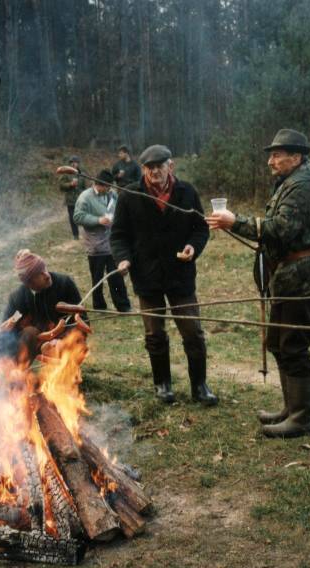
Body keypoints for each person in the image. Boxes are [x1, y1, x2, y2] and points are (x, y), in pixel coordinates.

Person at [207, 129, 310, 437]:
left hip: (302, 277)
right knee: (278, 342)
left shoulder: (304, 185)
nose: (270, 161)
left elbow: (281, 229)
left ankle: (301, 419)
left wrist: (235, 222)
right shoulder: (290, 181)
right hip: (286, 276)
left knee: (294, 345)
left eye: (277, 155)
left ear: (296, 157)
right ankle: (291, 408)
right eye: (271, 155)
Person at [110, 144, 217, 406]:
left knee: (193, 332)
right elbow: (119, 235)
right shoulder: (130, 195)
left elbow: (200, 228)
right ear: (143, 169)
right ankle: (162, 385)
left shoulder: (187, 192)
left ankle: (200, 386)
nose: (154, 172)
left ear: (171, 166)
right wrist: (123, 258)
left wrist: (193, 247)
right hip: (147, 276)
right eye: (149, 167)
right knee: (154, 334)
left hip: (180, 275)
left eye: (159, 166)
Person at [0, 249, 85, 361]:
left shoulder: (65, 283)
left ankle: (68, 366)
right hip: (37, 341)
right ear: (29, 283)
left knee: (73, 341)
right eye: (39, 274)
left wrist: (64, 339)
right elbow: (5, 333)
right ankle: (18, 369)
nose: (46, 275)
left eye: (44, 269)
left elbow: (82, 319)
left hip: (63, 339)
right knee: (29, 332)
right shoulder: (18, 297)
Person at [72, 169, 132, 312]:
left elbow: (119, 210)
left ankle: (123, 306)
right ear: (99, 184)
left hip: (112, 243)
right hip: (95, 245)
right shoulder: (85, 197)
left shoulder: (112, 194)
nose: (110, 189)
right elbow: (77, 217)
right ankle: (99, 306)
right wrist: (98, 220)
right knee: (97, 278)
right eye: (107, 186)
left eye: (110, 186)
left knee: (116, 275)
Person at [58, 155, 84, 240]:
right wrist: (70, 184)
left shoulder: (82, 174)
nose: (73, 164)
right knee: (72, 218)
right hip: (70, 200)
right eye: (72, 162)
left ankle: (87, 233)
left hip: (81, 199)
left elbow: (84, 187)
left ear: (78, 163)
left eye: (75, 162)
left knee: (82, 217)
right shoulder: (66, 174)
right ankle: (75, 235)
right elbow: (61, 186)